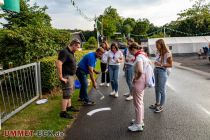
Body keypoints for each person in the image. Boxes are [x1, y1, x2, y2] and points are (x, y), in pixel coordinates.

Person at [56, 39, 81, 119]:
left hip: (71, 75)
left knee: (70, 92)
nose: (78, 49)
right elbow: (59, 63)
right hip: (66, 76)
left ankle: (69, 107)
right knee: (66, 94)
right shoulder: (64, 52)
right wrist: (61, 77)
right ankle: (63, 112)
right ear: (73, 45)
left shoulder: (71, 52)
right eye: (77, 47)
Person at [149, 39, 173, 113]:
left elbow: (170, 65)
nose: (156, 47)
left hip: (163, 71)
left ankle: (161, 106)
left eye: (157, 45)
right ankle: (157, 103)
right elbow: (158, 60)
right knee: (156, 88)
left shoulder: (167, 53)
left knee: (162, 89)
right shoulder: (158, 52)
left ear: (161, 44)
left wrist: (161, 64)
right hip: (156, 70)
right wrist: (156, 63)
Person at [127, 42, 146, 132]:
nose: (130, 53)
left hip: (139, 81)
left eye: (130, 51)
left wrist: (135, 79)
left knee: (137, 103)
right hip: (143, 81)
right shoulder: (143, 55)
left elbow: (140, 71)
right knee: (140, 102)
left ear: (132, 49)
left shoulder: (138, 57)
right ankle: (140, 120)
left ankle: (138, 125)